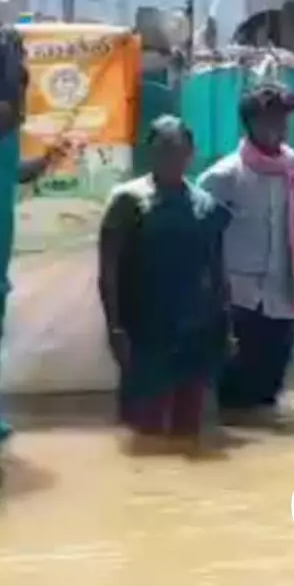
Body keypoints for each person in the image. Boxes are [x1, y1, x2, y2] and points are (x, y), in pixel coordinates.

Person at [97, 116, 231, 437]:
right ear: (151, 153)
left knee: (190, 428)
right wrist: (115, 329)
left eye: (178, 150)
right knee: (143, 428)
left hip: (195, 331)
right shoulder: (127, 201)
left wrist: (226, 329)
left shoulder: (205, 205)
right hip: (144, 333)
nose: (171, 158)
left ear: (190, 153)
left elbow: (218, 271)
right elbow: (108, 270)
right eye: (163, 150)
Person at [198, 82, 294, 414]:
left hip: (284, 295)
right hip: (239, 301)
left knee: (270, 392)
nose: (279, 129)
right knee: (233, 394)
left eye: (284, 120)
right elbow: (201, 239)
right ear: (250, 123)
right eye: (271, 120)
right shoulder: (224, 177)